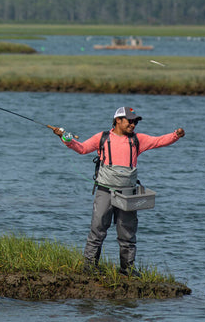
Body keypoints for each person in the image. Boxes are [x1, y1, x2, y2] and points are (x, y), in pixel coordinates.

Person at [51, 107, 185, 276]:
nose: (133, 124)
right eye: (130, 121)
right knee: (97, 229)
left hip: (128, 194)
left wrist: (176, 135)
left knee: (127, 233)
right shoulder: (102, 137)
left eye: (135, 121)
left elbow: (159, 141)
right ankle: (90, 266)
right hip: (104, 191)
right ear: (117, 120)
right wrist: (64, 138)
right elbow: (82, 148)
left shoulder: (138, 140)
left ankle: (127, 269)